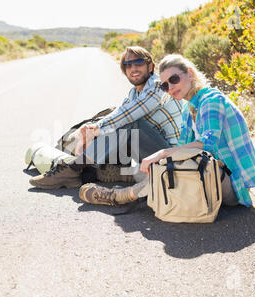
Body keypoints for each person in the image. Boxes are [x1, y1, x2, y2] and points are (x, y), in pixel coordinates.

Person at [80, 54, 255, 207]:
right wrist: (162, 160)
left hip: (231, 184)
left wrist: (162, 153)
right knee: (170, 167)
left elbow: (208, 145)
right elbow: (183, 149)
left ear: (190, 74)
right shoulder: (189, 108)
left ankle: (119, 196)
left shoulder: (211, 101)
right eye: (165, 85)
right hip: (210, 173)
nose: (170, 88)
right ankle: (130, 181)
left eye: (174, 79)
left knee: (174, 169)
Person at [29, 47, 184, 192]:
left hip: (172, 154)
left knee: (129, 122)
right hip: (147, 152)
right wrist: (89, 129)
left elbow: (126, 115)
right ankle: (89, 170)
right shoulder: (133, 94)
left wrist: (94, 131)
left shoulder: (159, 85)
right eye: (127, 64)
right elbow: (116, 115)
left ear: (150, 66)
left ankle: (73, 169)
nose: (133, 68)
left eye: (138, 62)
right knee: (111, 123)